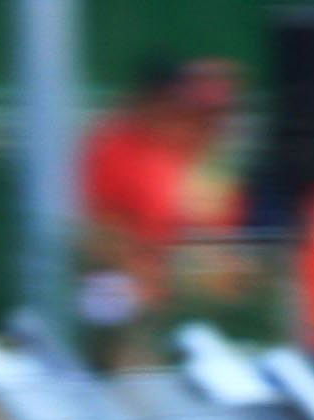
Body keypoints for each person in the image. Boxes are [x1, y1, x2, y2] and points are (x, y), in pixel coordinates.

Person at [78, 57, 243, 337]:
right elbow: (103, 232)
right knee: (111, 300)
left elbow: (215, 230)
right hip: (129, 281)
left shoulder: (196, 155)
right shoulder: (114, 146)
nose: (213, 123)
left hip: (185, 279)